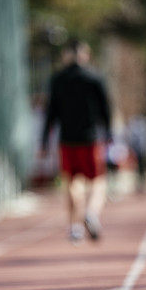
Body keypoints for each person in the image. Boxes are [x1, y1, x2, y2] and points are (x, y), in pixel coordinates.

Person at [40, 40, 111, 243]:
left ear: (66, 55)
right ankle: (91, 212)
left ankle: (75, 227)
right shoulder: (94, 77)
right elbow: (106, 108)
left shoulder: (58, 79)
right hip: (91, 139)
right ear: (85, 55)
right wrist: (108, 134)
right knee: (99, 182)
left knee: (72, 182)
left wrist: (44, 141)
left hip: (67, 140)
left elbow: (50, 113)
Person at [125, 114, 146, 194]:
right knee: (137, 168)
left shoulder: (145, 126)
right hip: (137, 150)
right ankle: (138, 184)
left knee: (143, 169)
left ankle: (143, 183)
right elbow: (131, 138)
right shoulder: (134, 126)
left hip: (143, 150)